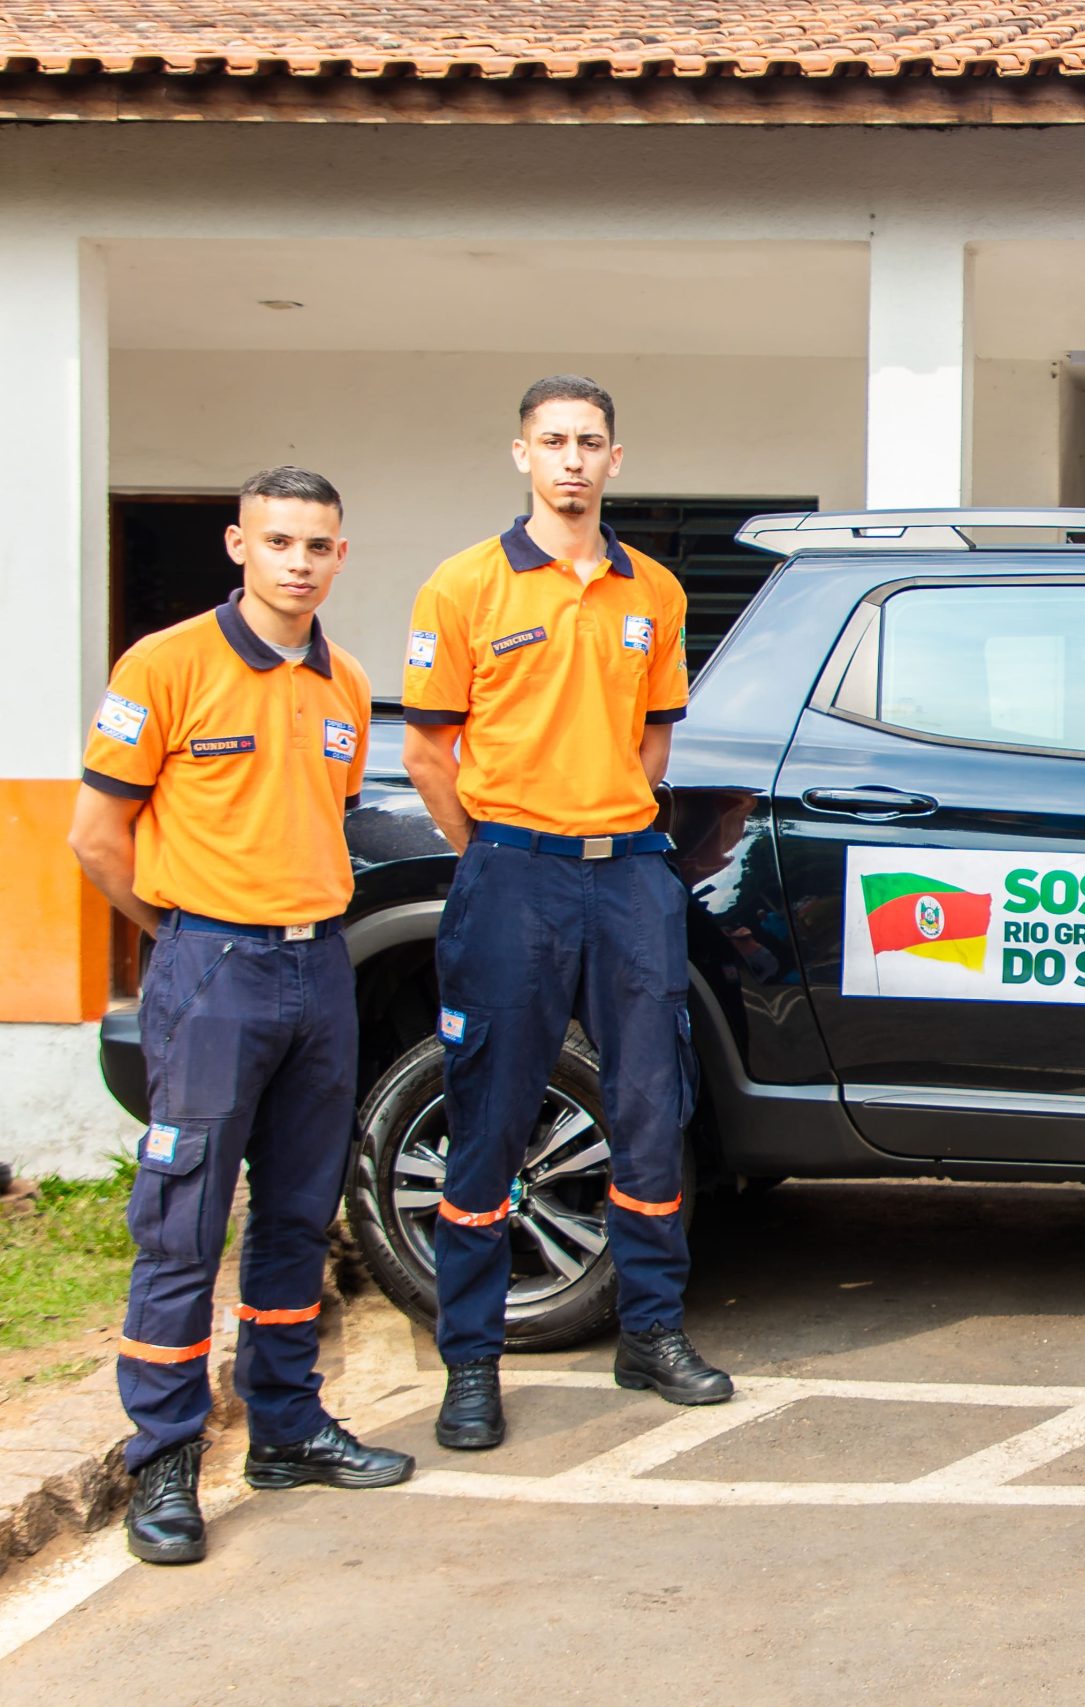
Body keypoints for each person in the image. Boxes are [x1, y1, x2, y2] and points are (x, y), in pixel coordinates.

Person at [69, 467, 414, 1565]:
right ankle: (165, 1461)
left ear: (340, 556)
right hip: (210, 965)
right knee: (182, 1221)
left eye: (317, 545)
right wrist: (183, 932)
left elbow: (325, 820)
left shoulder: (346, 683)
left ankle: (287, 1425)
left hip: (319, 967)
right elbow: (95, 838)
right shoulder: (164, 665)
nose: (298, 562)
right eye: (278, 541)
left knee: (300, 1212)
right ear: (238, 546)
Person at [402, 375, 730, 1451]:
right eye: (554, 441)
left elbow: (654, 742)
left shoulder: (654, 591)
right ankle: (470, 1362)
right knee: (491, 1114)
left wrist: (602, 826)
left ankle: (651, 1331)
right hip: (513, 874)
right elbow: (427, 753)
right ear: (523, 455)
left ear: (615, 460)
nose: (573, 460)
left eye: (590, 442)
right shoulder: (464, 585)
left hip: (629, 874)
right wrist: (498, 853)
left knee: (650, 1108)